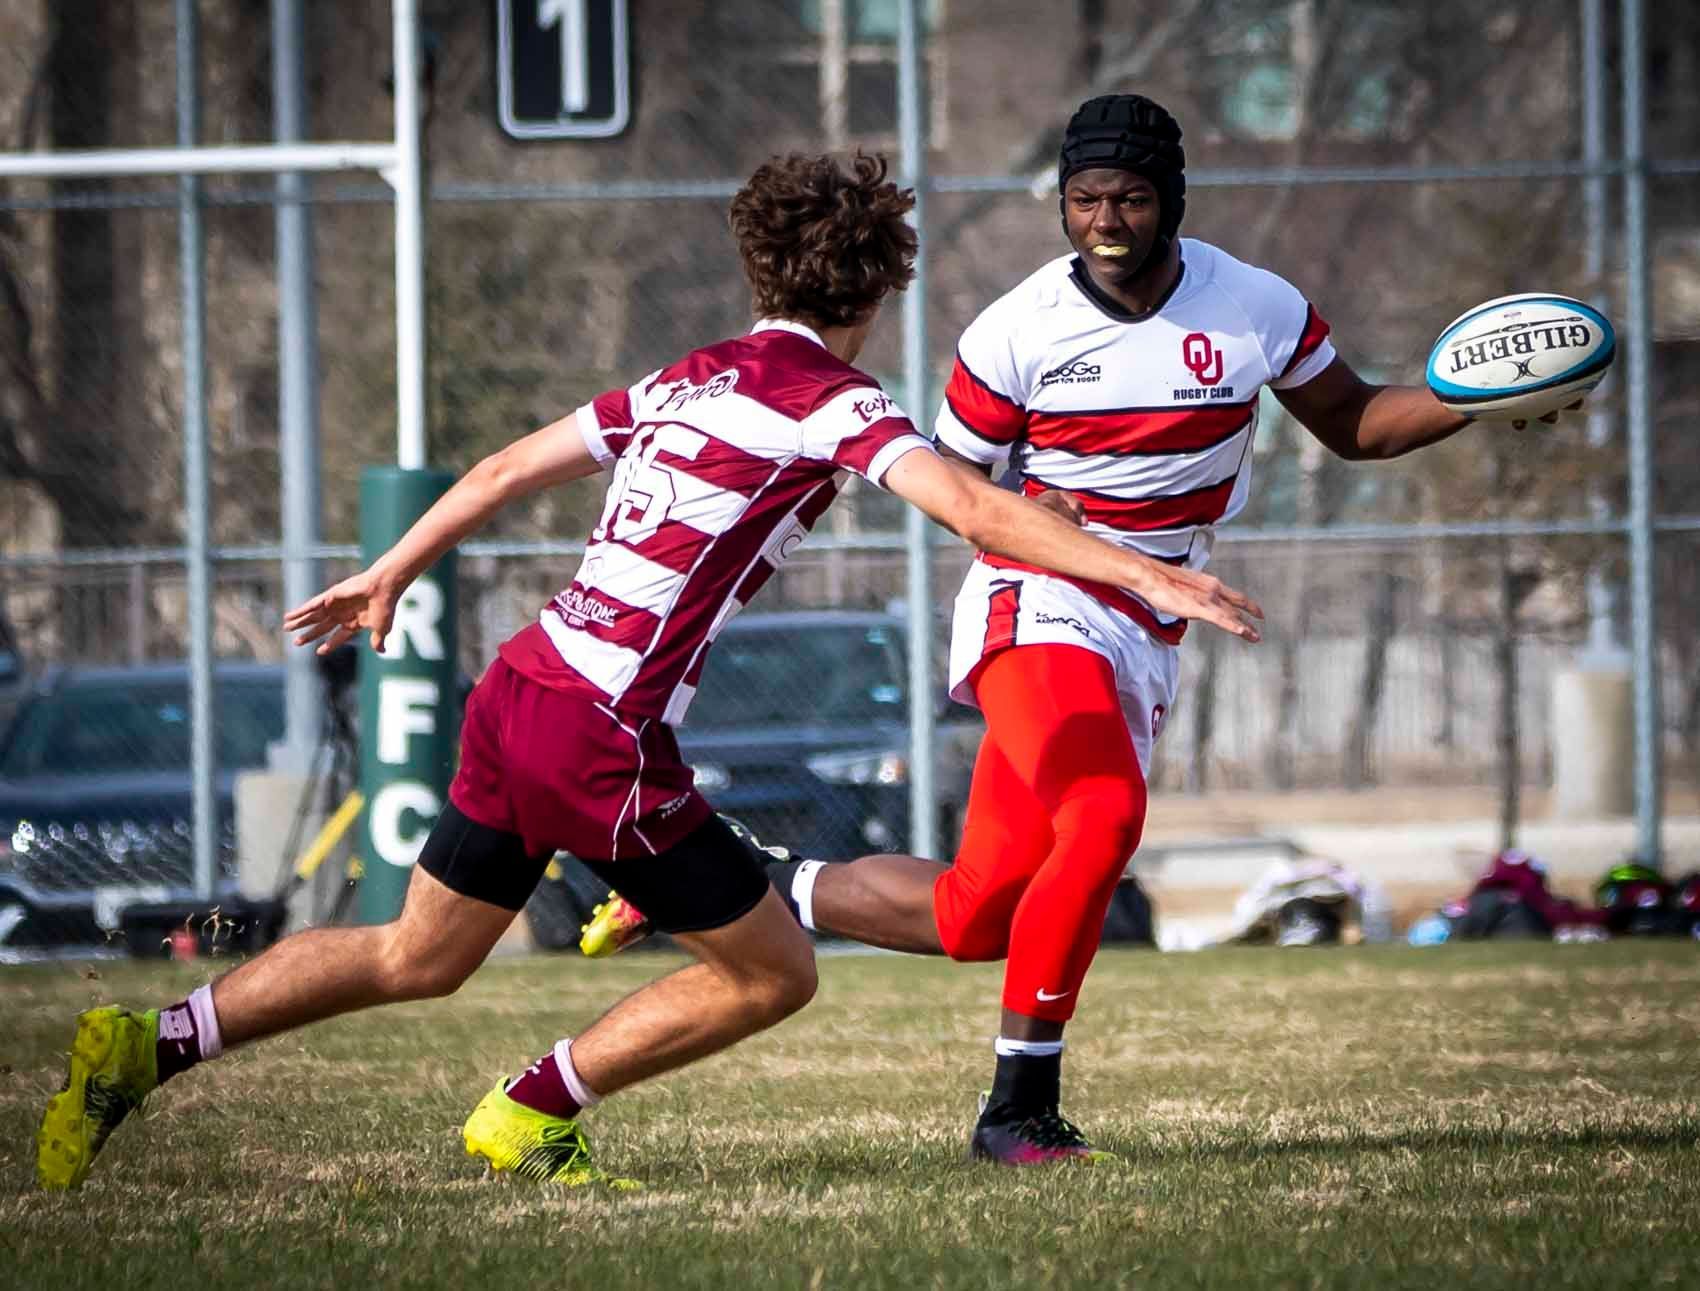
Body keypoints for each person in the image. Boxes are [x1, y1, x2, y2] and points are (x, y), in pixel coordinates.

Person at [34, 150, 1264, 1193]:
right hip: (601, 733)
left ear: (760, 268)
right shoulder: (831, 402)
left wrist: (390, 568)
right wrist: (1149, 575)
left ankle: (147, 1046)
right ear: (880, 284)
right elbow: (972, 509)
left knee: (416, 954)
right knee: (771, 975)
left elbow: (501, 470)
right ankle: (531, 1107)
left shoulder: (689, 374)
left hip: (521, 684)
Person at [582, 94, 1586, 1166]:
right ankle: (1016, 1112)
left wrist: (1469, 398)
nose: (1103, 221)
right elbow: (956, 478)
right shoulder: (1016, 327)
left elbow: (1354, 425)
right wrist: (1034, 510)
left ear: (1171, 200)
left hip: (1151, 620)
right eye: (1082, 199)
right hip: (1037, 598)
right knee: (1102, 816)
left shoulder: (1251, 305)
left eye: (1128, 199)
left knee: (976, 919)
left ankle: (726, 875)